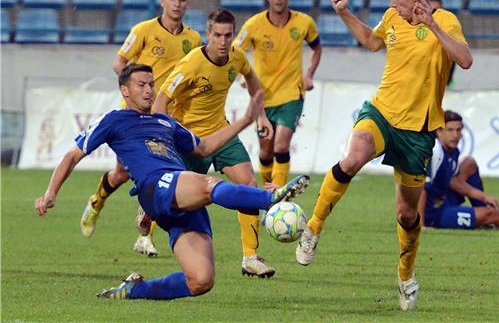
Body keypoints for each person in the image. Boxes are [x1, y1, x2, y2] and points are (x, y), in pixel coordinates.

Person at [35, 64, 310, 300]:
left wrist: (246, 120)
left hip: (178, 193)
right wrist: (50, 193)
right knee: (208, 185)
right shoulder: (114, 120)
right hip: (155, 186)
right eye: (141, 85)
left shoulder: (165, 122)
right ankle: (270, 198)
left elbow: (203, 148)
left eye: (151, 84)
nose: (148, 90)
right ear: (125, 90)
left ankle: (133, 291)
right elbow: (72, 155)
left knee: (201, 281)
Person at [295, 0, 474, 312]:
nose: (392, 3)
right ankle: (313, 228)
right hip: (381, 113)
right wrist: (345, 13)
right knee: (353, 157)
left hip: (418, 131)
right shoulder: (392, 17)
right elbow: (372, 41)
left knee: (407, 214)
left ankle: (406, 274)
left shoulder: (446, 21)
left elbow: (465, 60)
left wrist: (432, 25)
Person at [79, 0, 202, 257]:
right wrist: (137, 89)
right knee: (122, 174)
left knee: (167, 173)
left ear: (188, 4)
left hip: (167, 119)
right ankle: (97, 201)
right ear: (162, 1)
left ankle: (146, 235)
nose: (177, 4)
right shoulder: (144, 30)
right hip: (135, 117)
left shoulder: (193, 39)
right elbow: (119, 62)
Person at [153, 8, 277, 278]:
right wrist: (164, 135)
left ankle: (250, 257)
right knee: (182, 201)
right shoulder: (191, 64)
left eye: (228, 35)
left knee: (247, 183)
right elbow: (161, 100)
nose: (223, 41)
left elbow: (254, 81)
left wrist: (262, 116)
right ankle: (150, 212)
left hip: (221, 134)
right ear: (207, 34)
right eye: (217, 35)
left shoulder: (236, 57)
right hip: (191, 140)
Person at [235, 0, 322, 188]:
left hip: (292, 94)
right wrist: (241, 75)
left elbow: (317, 48)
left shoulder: (304, 22)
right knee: (266, 151)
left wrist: (309, 73)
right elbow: (234, 52)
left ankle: (279, 197)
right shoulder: (254, 25)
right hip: (262, 97)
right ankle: (267, 194)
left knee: (281, 147)